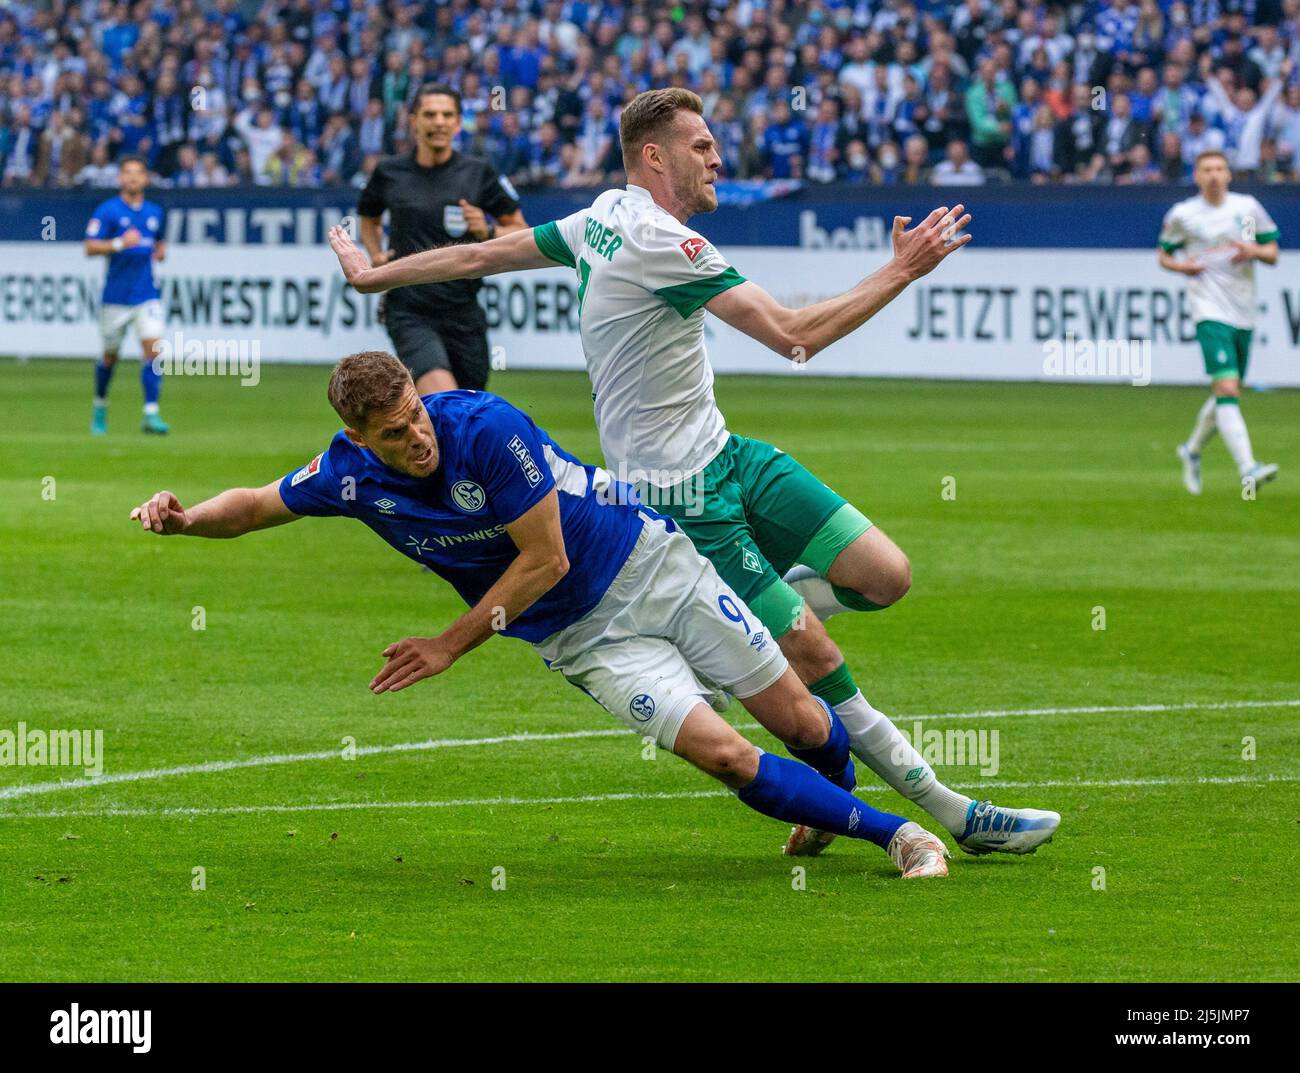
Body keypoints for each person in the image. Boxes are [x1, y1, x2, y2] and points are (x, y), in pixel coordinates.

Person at [327, 88, 1061, 860]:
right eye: (703, 147)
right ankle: (953, 811)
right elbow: (793, 336)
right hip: (679, 497)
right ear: (657, 156)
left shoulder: (601, 216)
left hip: (729, 455)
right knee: (815, 655)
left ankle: (758, 617)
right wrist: (901, 272)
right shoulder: (661, 243)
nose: (718, 159)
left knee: (886, 574)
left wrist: (374, 277)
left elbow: (478, 256)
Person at [128, 350, 956, 880]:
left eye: (417, 413)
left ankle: (827, 803)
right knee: (727, 754)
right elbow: (256, 504)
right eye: (393, 431)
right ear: (356, 435)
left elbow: (547, 558)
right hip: (580, 636)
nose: (417, 436)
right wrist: (185, 517)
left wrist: (448, 645)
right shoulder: (347, 475)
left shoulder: (484, 429)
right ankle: (896, 836)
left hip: (650, 564)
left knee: (806, 725)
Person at [356, 84, 529, 394]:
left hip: (464, 312)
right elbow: (368, 218)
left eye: (447, 115)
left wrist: (488, 231)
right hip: (409, 311)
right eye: (430, 114)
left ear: (458, 123)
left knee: (466, 411)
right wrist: (375, 253)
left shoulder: (478, 173)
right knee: (444, 399)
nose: (438, 122)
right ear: (413, 122)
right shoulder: (389, 172)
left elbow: (520, 229)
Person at [1161, 150, 1281, 494]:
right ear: (1197, 176)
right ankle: (1249, 467)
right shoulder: (1183, 215)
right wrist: (1182, 267)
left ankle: (1192, 450)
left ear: (1229, 174)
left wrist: (1253, 251)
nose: (1213, 175)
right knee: (1227, 388)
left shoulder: (1246, 209)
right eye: (1206, 170)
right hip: (1207, 308)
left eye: (1219, 169)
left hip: (1242, 308)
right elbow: (1164, 254)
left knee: (1227, 390)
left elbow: (1271, 251)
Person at [82, 155, 169, 436]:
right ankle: (100, 405)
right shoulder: (108, 211)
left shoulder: (155, 212)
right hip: (116, 298)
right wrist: (120, 242)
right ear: (120, 178)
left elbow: (159, 242)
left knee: (154, 352)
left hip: (146, 295)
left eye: (138, 173)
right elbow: (89, 247)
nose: (133, 178)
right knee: (109, 357)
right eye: (127, 173)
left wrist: (161, 251)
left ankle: (151, 413)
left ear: (145, 178)